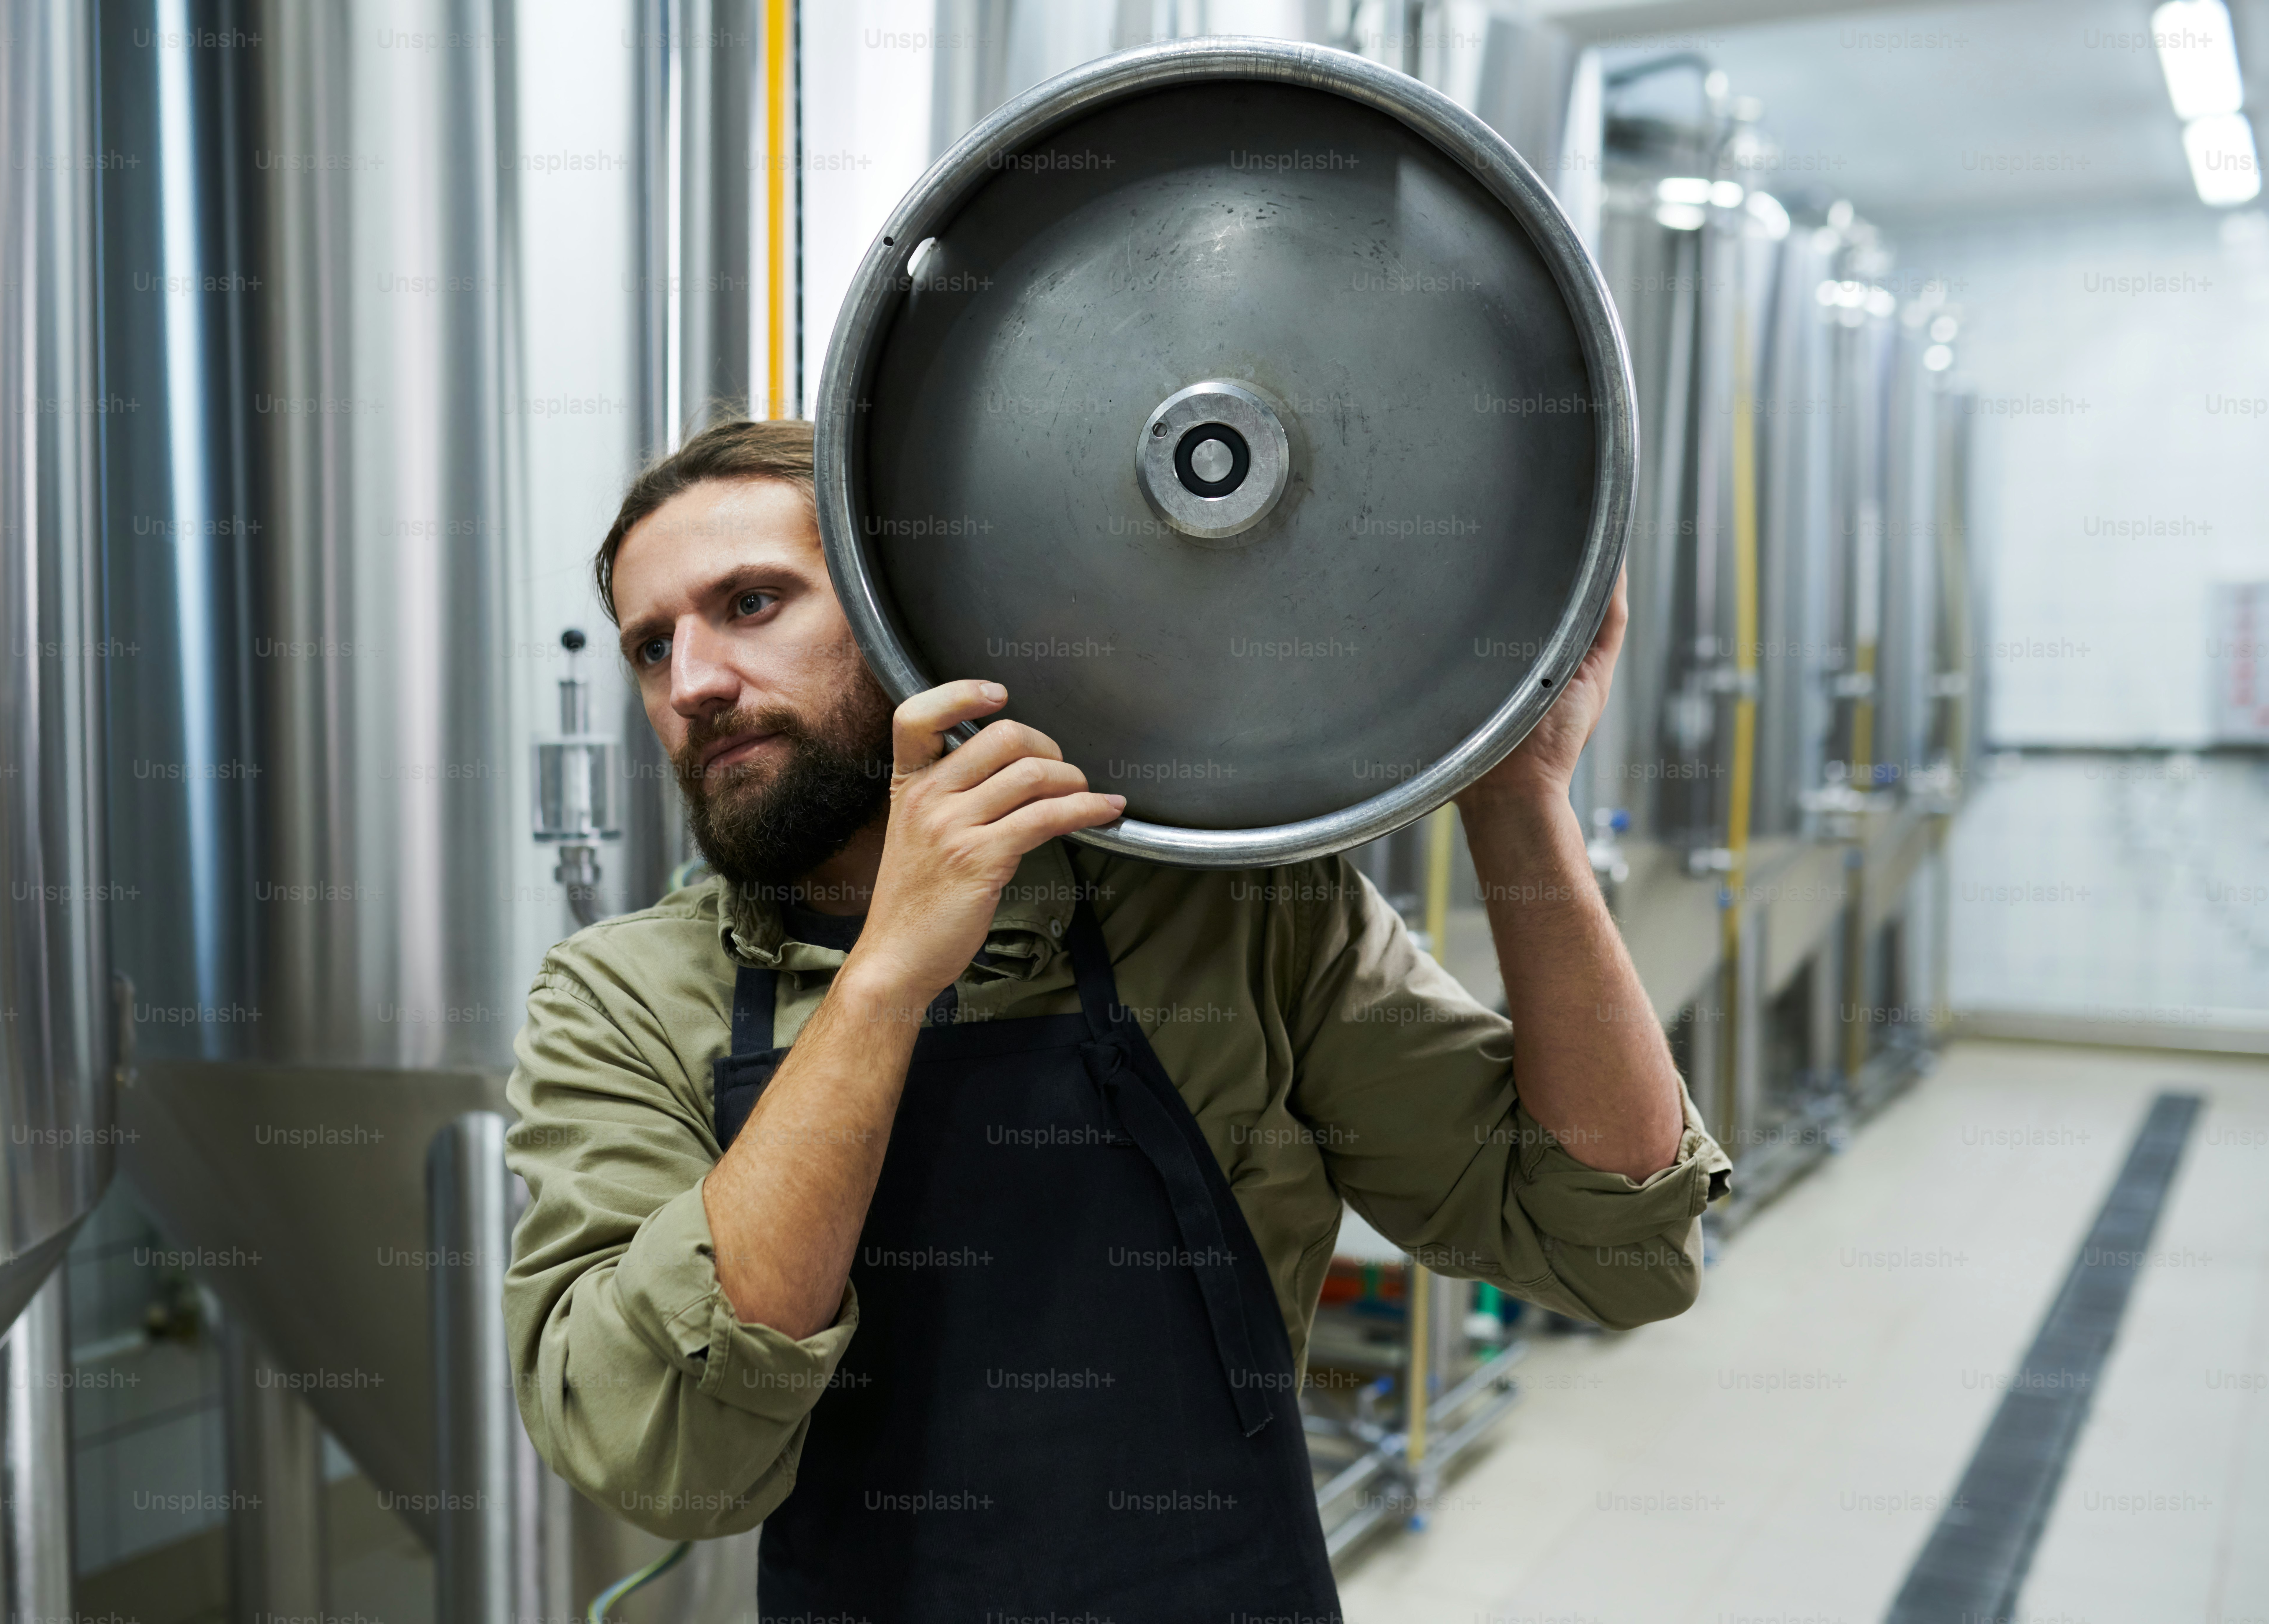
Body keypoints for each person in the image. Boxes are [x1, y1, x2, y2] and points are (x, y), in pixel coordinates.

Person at [504, 417, 1732, 1620]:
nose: (698, 683)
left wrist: (1521, 801)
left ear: (894, 597)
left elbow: (1611, 1247)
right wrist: (887, 973)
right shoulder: (616, 1002)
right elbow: (653, 1451)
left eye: (754, 603)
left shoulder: (1221, 903)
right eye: (652, 648)